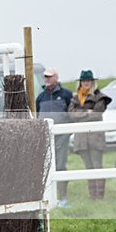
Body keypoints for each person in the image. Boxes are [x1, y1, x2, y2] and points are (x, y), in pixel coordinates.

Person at [68, 70, 111, 200]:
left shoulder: (100, 97)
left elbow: (97, 114)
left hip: (95, 136)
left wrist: (80, 114)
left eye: (88, 81)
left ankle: (100, 197)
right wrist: (87, 112)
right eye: (84, 81)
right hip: (81, 138)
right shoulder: (76, 98)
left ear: (92, 82)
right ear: (80, 82)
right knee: (88, 167)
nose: (86, 83)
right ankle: (92, 196)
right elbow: (71, 114)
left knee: (97, 166)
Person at [36, 67, 74, 207]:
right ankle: (50, 196)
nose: (47, 79)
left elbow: (71, 113)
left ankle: (63, 197)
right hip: (46, 138)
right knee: (46, 166)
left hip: (61, 136)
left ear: (56, 78)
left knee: (60, 165)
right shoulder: (41, 97)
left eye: (49, 76)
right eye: (45, 76)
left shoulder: (66, 94)